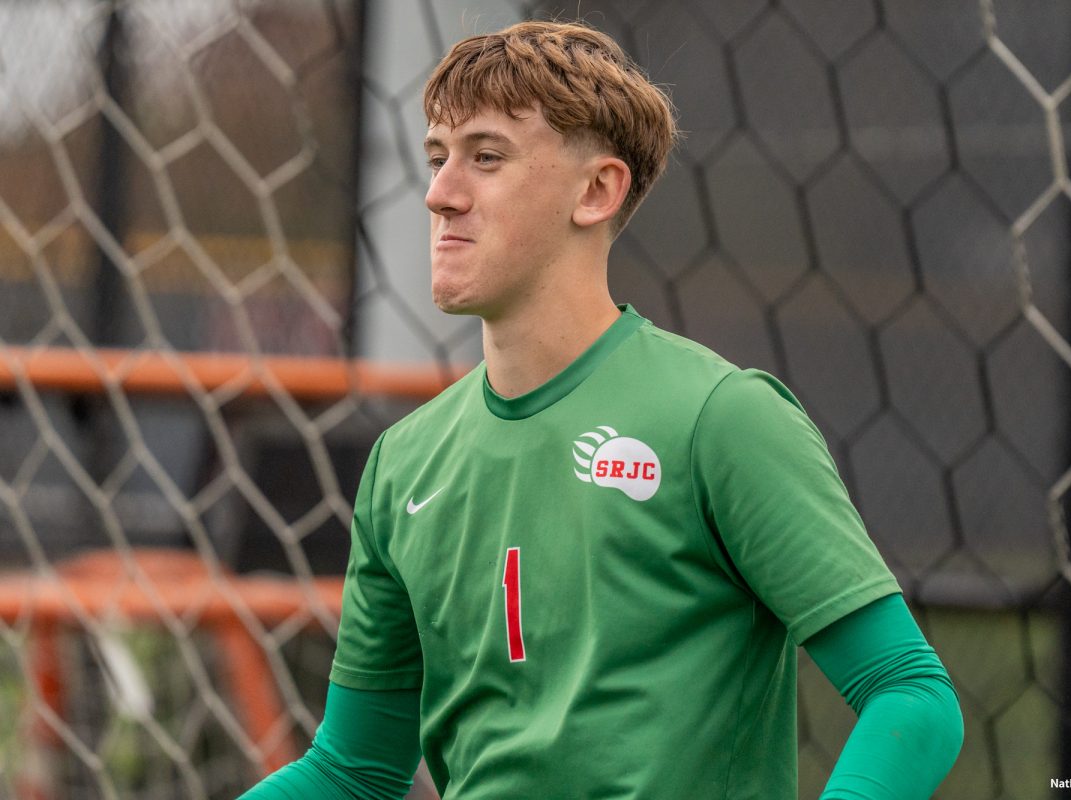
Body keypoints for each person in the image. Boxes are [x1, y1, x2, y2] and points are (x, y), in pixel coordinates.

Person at [242, 20, 962, 800]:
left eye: (486, 157)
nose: (440, 193)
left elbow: (913, 698)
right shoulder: (403, 463)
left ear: (597, 191)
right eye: (438, 157)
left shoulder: (720, 419)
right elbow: (352, 772)